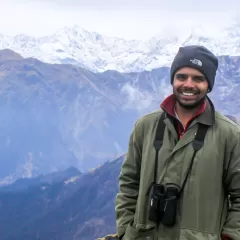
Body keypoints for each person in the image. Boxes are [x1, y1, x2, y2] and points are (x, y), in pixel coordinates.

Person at [115, 45, 240, 240]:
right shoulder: (146, 126)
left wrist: (229, 237)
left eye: (198, 78)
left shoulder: (229, 135)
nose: (188, 84)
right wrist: (125, 230)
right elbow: (129, 184)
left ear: (209, 84)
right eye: (181, 77)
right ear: (173, 80)